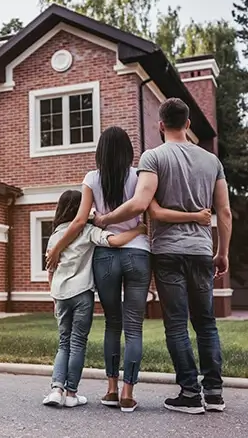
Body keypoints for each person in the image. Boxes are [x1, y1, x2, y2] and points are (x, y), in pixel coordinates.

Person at [46, 126, 210, 412]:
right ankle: (127, 394)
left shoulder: (91, 178)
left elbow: (78, 221)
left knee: (112, 323)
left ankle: (109, 390)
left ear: (100, 152)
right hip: (138, 254)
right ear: (129, 152)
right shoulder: (139, 175)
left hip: (106, 257)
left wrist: (58, 248)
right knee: (134, 327)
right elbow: (151, 210)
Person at [94, 98, 232, 415]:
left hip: (168, 252)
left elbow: (141, 203)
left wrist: (105, 219)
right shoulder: (212, 161)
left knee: (176, 326)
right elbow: (223, 210)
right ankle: (214, 393)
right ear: (187, 124)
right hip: (200, 251)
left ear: (160, 126)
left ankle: (189, 394)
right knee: (206, 323)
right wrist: (221, 251)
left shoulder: (153, 157)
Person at [43, 190, 147, 409]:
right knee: (78, 342)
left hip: (60, 296)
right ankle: (71, 394)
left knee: (64, 343)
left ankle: (56, 389)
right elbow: (116, 241)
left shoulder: (54, 236)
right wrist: (138, 229)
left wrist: (53, 294)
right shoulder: (89, 231)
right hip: (82, 295)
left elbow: (50, 270)